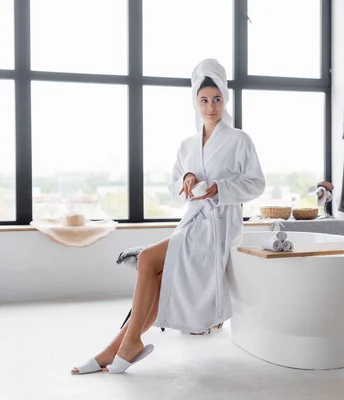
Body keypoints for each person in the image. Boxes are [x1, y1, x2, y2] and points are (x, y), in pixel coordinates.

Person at [71, 59, 265, 374]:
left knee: (147, 260)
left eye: (216, 99)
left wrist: (219, 188)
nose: (211, 106)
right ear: (195, 101)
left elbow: (256, 183)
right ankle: (117, 349)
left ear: (225, 99)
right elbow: (174, 187)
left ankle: (123, 347)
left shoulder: (239, 140)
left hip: (219, 228)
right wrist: (187, 180)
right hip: (191, 223)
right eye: (204, 100)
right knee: (158, 284)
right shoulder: (187, 145)